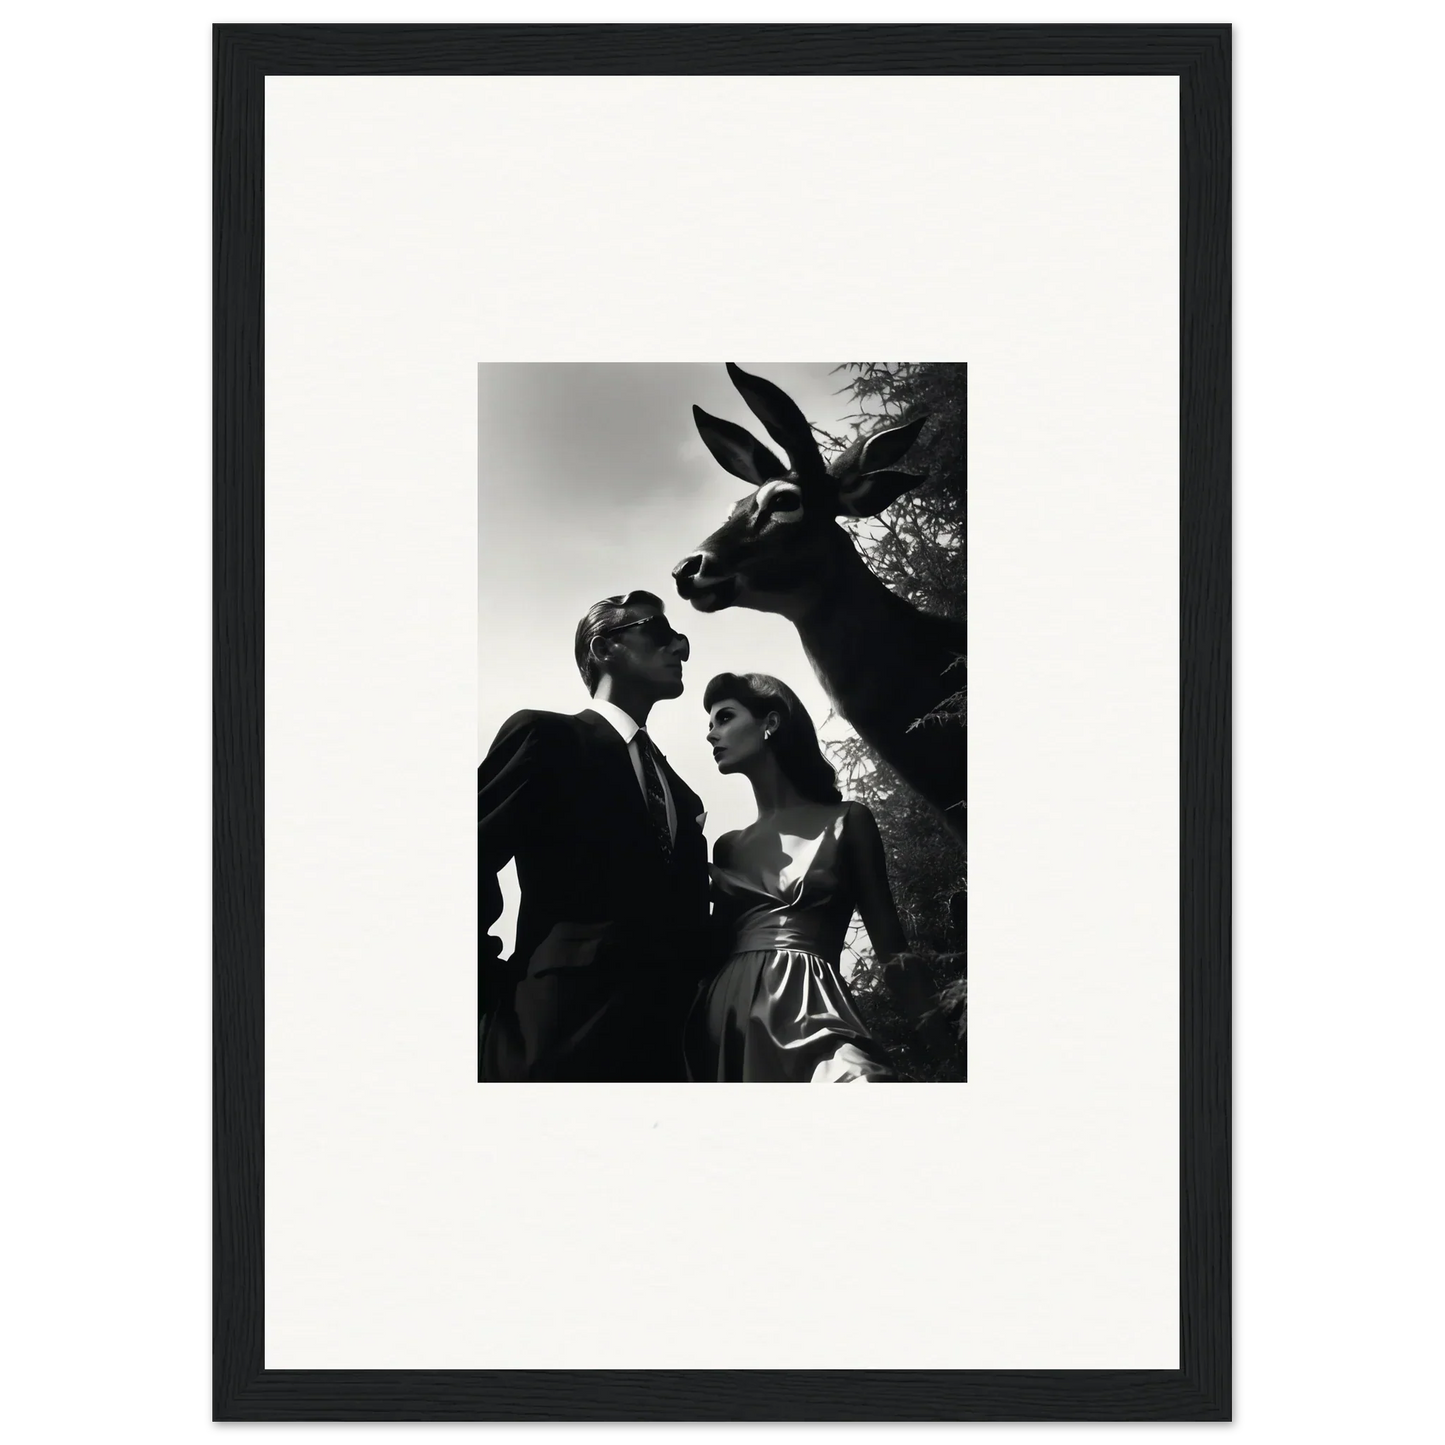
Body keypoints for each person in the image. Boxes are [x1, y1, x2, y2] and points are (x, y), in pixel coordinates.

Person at [477, 591, 713, 1081]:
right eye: (661, 632)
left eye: (682, 639)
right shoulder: (545, 738)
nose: (681, 648)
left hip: (665, 1055)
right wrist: (489, 995)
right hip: (551, 1038)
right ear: (605, 649)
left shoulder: (683, 798)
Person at [685, 672, 954, 1083]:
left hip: (814, 1009)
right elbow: (703, 955)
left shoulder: (848, 822)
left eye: (723, 718)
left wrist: (951, 1054)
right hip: (729, 1021)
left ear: (770, 723)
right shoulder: (727, 847)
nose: (711, 734)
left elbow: (893, 951)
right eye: (710, 724)